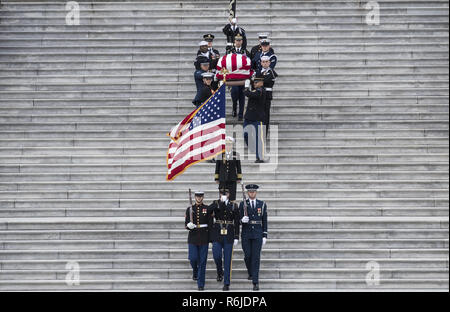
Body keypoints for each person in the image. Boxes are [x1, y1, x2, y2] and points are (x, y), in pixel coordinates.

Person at [209, 188, 240, 291]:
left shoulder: (234, 205)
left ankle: (226, 283)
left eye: (225, 193)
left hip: (229, 233)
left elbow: (236, 222)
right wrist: (219, 203)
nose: (223, 194)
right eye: (221, 193)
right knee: (216, 255)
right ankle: (219, 271)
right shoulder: (216, 203)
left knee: (227, 260)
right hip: (217, 233)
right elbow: (208, 211)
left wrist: (236, 236)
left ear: (229, 194)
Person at [239, 184, 268, 291]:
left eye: (253, 191)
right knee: (248, 256)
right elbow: (238, 220)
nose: (252, 193)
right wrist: (242, 220)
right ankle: (250, 272)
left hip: (257, 233)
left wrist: (265, 234)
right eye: (250, 192)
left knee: (256, 257)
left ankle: (255, 282)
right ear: (247, 193)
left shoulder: (262, 204)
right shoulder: (242, 204)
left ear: (256, 192)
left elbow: (264, 220)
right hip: (246, 233)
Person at [185, 191, 214, 291]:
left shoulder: (207, 209)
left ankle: (201, 284)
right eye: (197, 196)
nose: (199, 198)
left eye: (201, 196)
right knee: (193, 258)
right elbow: (186, 223)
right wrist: (188, 226)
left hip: (204, 237)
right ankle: (195, 270)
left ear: (203, 197)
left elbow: (210, 225)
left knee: (202, 261)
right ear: (195, 197)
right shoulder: (190, 209)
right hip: (193, 237)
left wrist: (211, 238)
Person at [243, 74, 268, 163]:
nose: (255, 84)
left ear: (261, 83)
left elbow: (251, 95)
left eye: (257, 82)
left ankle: (260, 157)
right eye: (254, 82)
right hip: (249, 117)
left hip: (258, 118)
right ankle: (253, 147)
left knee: (259, 138)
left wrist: (246, 88)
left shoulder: (261, 90)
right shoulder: (255, 90)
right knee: (245, 134)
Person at [255, 55, 278, 136]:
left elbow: (266, 80)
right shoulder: (258, 71)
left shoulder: (272, 71)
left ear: (269, 63)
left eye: (266, 62)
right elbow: (255, 82)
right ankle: (258, 131)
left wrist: (261, 81)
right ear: (261, 63)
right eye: (263, 62)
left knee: (265, 115)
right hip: (258, 95)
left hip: (267, 95)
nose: (265, 64)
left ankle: (264, 134)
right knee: (258, 114)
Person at [215, 136, 242, 201]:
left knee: (232, 196)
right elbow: (217, 167)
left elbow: (238, 167)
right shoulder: (220, 155)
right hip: (222, 178)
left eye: (230, 145)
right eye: (227, 145)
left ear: (232, 145)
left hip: (232, 179)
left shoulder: (236, 154)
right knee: (223, 196)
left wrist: (239, 177)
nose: (228, 146)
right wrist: (217, 178)